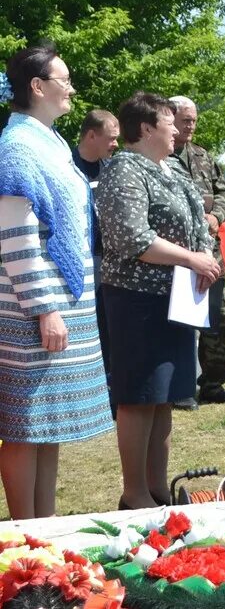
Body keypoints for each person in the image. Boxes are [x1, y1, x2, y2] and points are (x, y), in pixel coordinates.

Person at [0, 46, 112, 518]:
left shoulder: (48, 142)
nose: (71, 87)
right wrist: (46, 307)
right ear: (37, 87)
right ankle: (21, 537)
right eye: (63, 79)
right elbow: (16, 235)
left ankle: (44, 530)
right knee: (25, 427)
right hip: (33, 310)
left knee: (47, 427)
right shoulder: (18, 148)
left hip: (60, 307)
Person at [96, 91, 220, 510]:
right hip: (137, 300)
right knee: (138, 395)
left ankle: (157, 490)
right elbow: (132, 237)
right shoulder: (124, 170)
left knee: (163, 395)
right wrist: (191, 259)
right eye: (169, 122)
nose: (176, 129)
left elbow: (200, 226)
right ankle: (133, 494)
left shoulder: (173, 170)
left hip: (177, 300)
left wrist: (206, 261)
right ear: (146, 128)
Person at [168, 95, 225, 405]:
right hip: (176, 251)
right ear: (170, 119)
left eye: (194, 120)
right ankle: (179, 387)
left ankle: (212, 384)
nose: (191, 125)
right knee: (180, 321)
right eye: (186, 119)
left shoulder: (202, 156)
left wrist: (216, 215)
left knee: (216, 319)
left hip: (209, 250)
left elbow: (224, 191)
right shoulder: (160, 157)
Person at [72, 109, 120, 383]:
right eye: (111, 139)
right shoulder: (65, 166)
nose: (115, 145)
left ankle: (109, 386)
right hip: (81, 259)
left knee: (108, 325)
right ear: (92, 135)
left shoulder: (111, 169)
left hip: (107, 260)